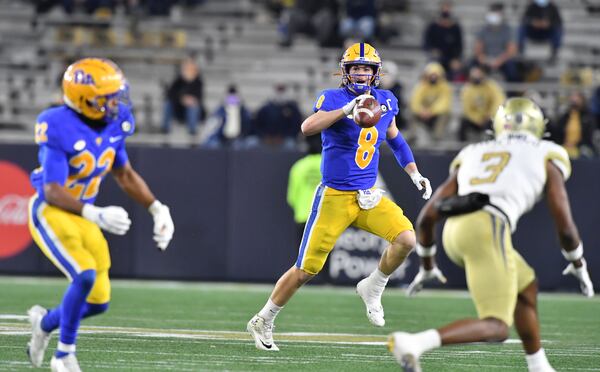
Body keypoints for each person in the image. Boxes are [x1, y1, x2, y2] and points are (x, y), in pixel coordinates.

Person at [247, 42, 433, 351]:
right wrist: (344, 110)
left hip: (368, 195)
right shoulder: (333, 98)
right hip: (335, 195)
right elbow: (307, 127)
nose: (361, 73)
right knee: (306, 269)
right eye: (355, 68)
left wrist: (414, 173)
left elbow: (397, 140)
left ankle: (373, 286)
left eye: (366, 68)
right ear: (344, 71)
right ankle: (263, 319)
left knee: (406, 240)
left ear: (376, 73)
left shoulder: (386, 101)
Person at [388, 98, 595, 372]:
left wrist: (427, 264)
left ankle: (539, 366)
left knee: (526, 286)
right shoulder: (547, 151)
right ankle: (414, 343)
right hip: (488, 226)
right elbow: (565, 224)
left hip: (455, 230)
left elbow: (427, 215)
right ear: (538, 125)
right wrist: (578, 262)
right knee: (497, 326)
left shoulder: (474, 150)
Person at [26, 58, 175, 371]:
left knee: (98, 300)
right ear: (83, 98)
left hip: (84, 215)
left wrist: (157, 208)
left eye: (116, 94)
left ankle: (44, 323)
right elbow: (53, 189)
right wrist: (94, 212)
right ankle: (64, 355)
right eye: (107, 96)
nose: (114, 102)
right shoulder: (56, 123)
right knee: (84, 276)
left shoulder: (116, 121)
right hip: (52, 211)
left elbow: (124, 174)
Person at [287, 135, 323, 244]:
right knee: (324, 260)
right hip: (324, 219)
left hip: (303, 218)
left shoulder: (298, 167)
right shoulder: (327, 166)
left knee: (303, 259)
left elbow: (291, 198)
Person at [409, 62, 453, 145]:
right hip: (423, 114)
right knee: (411, 114)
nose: (433, 77)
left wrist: (431, 111)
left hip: (435, 115)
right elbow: (415, 101)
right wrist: (421, 110)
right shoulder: (421, 86)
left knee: (446, 114)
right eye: (431, 75)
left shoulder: (445, 87)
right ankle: (413, 136)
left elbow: (444, 103)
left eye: (435, 75)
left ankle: (437, 138)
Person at [473, 3, 519, 82]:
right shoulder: (483, 30)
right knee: (473, 65)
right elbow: (478, 50)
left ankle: (511, 92)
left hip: (503, 61)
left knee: (512, 68)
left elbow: (511, 50)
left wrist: (499, 61)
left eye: (497, 13)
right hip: (486, 60)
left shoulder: (507, 30)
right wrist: (484, 59)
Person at [459, 65, 505, 142]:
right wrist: (477, 119)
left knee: (496, 123)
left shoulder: (491, 86)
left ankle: (493, 144)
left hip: (488, 117)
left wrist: (490, 115)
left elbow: (498, 100)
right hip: (474, 119)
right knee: (463, 122)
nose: (477, 76)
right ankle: (461, 146)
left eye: (479, 74)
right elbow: (467, 109)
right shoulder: (467, 89)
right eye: (475, 74)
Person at [161, 56, 204, 135]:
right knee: (168, 104)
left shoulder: (198, 82)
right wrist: (182, 99)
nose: (188, 70)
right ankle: (165, 128)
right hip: (179, 110)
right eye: (186, 68)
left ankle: (192, 130)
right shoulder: (178, 81)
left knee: (193, 106)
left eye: (190, 68)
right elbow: (170, 94)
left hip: (192, 111)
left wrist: (190, 100)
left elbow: (199, 98)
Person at [253, 84, 303, 149]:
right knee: (252, 143)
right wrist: (265, 136)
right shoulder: (265, 108)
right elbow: (257, 125)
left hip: (285, 139)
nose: (280, 93)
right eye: (279, 90)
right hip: (266, 139)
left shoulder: (292, 108)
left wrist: (283, 137)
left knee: (290, 144)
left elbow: (296, 126)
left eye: (282, 90)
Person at [550, 91, 596, 158]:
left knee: (585, 152)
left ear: (582, 100)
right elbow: (558, 132)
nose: (574, 101)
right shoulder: (565, 116)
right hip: (565, 146)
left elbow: (589, 136)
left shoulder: (588, 117)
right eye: (573, 99)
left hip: (581, 147)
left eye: (577, 99)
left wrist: (576, 144)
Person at [423, 1, 463, 74]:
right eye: (444, 6)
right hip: (436, 58)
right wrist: (432, 51)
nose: (446, 9)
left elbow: (459, 46)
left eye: (448, 7)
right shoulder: (433, 27)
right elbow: (426, 44)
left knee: (457, 69)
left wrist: (456, 59)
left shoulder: (455, 28)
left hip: (451, 59)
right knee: (434, 67)